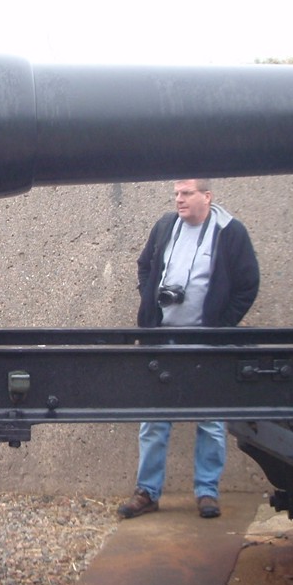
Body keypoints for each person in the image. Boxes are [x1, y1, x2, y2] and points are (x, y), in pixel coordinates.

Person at [119, 178, 259, 520]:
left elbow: (247, 283)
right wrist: (150, 299)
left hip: (206, 343)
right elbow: (145, 266)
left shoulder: (229, 231)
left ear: (206, 196)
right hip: (161, 338)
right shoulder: (166, 225)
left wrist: (221, 327)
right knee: (154, 419)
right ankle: (147, 492)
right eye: (176, 194)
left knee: (210, 418)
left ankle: (207, 492)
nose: (179, 200)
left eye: (186, 194)